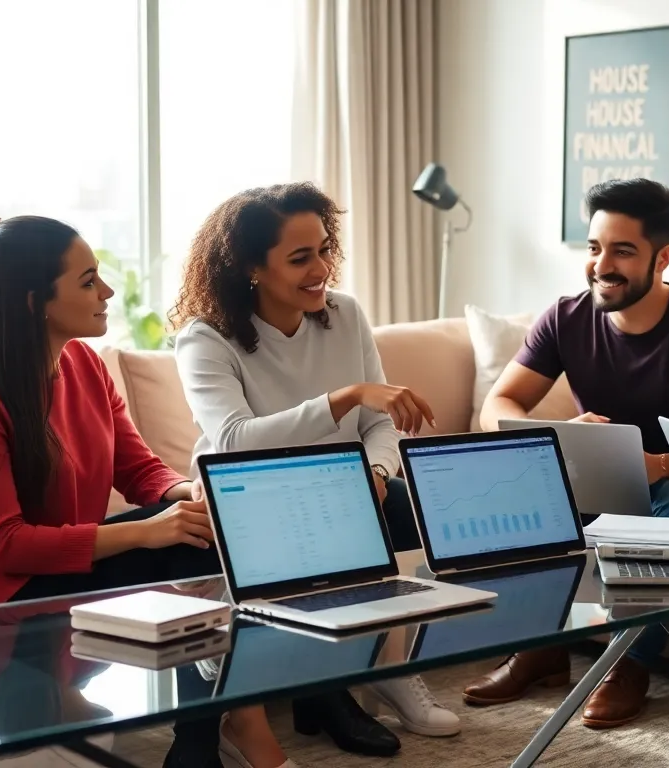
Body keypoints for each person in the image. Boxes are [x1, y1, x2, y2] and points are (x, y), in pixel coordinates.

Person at [0, 214, 294, 768]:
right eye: (88, 280)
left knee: (209, 531)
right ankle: (209, 737)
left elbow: (139, 470)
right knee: (185, 546)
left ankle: (201, 740)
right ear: (33, 301)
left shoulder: (83, 364)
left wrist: (185, 493)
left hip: (59, 564)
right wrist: (150, 529)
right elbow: (4, 546)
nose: (108, 291)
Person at [471, 178, 669, 727]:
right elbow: (497, 405)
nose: (601, 265)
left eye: (623, 251)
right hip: (601, 482)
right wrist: (557, 434)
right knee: (514, 486)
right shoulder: (566, 318)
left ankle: (628, 663)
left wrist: (659, 463)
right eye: (594, 248)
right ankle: (540, 648)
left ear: (662, 256)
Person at [169, 182, 458, 757]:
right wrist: (345, 396)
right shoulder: (206, 337)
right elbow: (233, 441)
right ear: (251, 266)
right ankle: (216, 726)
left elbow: (381, 425)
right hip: (252, 493)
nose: (321, 268)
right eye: (300, 258)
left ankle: (382, 664)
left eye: (325, 250)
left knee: (434, 514)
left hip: (346, 483)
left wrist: (375, 475)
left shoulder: (345, 315)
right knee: (221, 550)